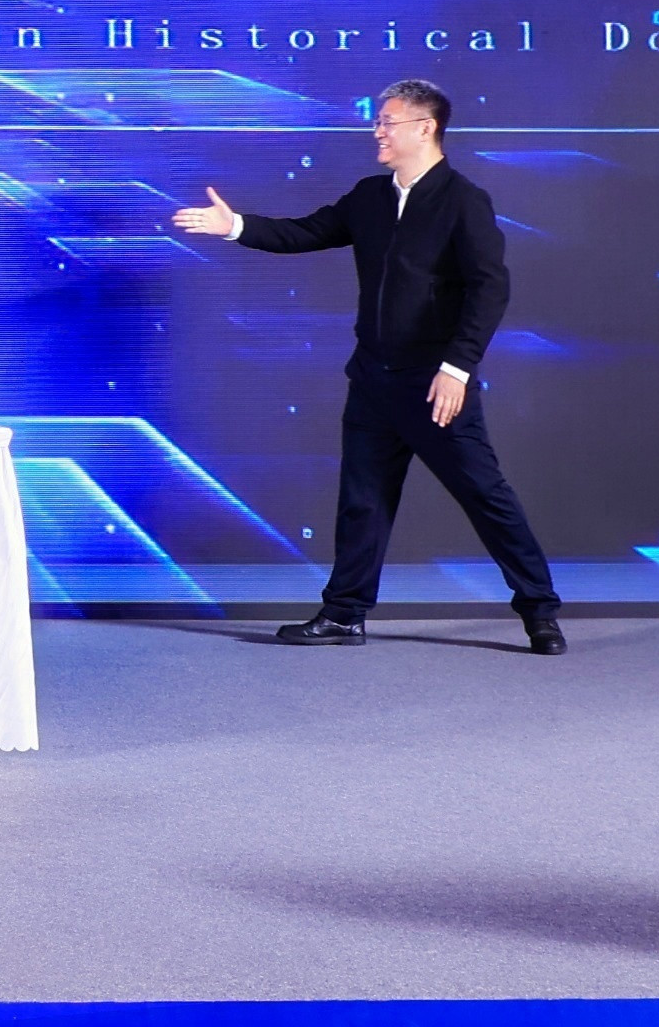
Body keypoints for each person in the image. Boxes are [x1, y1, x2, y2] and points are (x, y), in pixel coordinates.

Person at [169, 77, 564, 653]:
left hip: (435, 384)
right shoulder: (369, 197)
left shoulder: (463, 200)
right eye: (377, 121)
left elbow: (489, 289)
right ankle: (344, 613)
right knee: (363, 501)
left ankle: (540, 611)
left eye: (387, 122)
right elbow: (306, 232)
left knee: (485, 496)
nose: (377, 131)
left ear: (425, 128)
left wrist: (456, 368)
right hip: (373, 379)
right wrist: (234, 226)